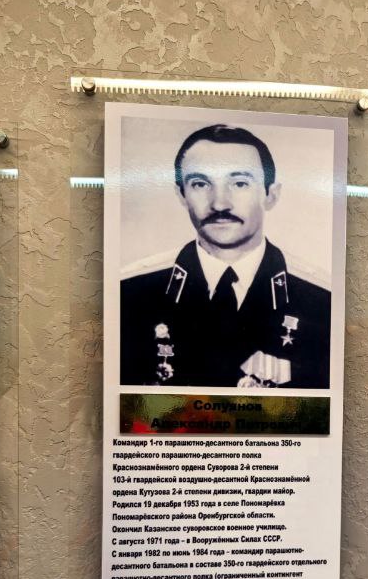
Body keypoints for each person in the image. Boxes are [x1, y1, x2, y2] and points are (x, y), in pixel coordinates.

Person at [119, 123, 331, 388]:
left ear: (271, 195)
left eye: (240, 183)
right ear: (181, 195)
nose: (219, 203)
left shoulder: (322, 301)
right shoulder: (129, 294)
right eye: (200, 184)